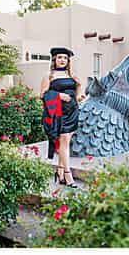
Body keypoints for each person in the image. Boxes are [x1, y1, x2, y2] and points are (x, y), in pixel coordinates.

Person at [40, 47, 82, 188]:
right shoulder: (49, 76)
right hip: (58, 114)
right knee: (63, 142)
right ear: (54, 59)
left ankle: (60, 172)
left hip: (72, 112)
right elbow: (42, 95)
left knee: (66, 143)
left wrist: (79, 85)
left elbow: (77, 95)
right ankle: (68, 174)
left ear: (68, 60)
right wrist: (58, 95)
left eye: (65, 58)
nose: (62, 60)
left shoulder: (71, 75)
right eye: (59, 57)